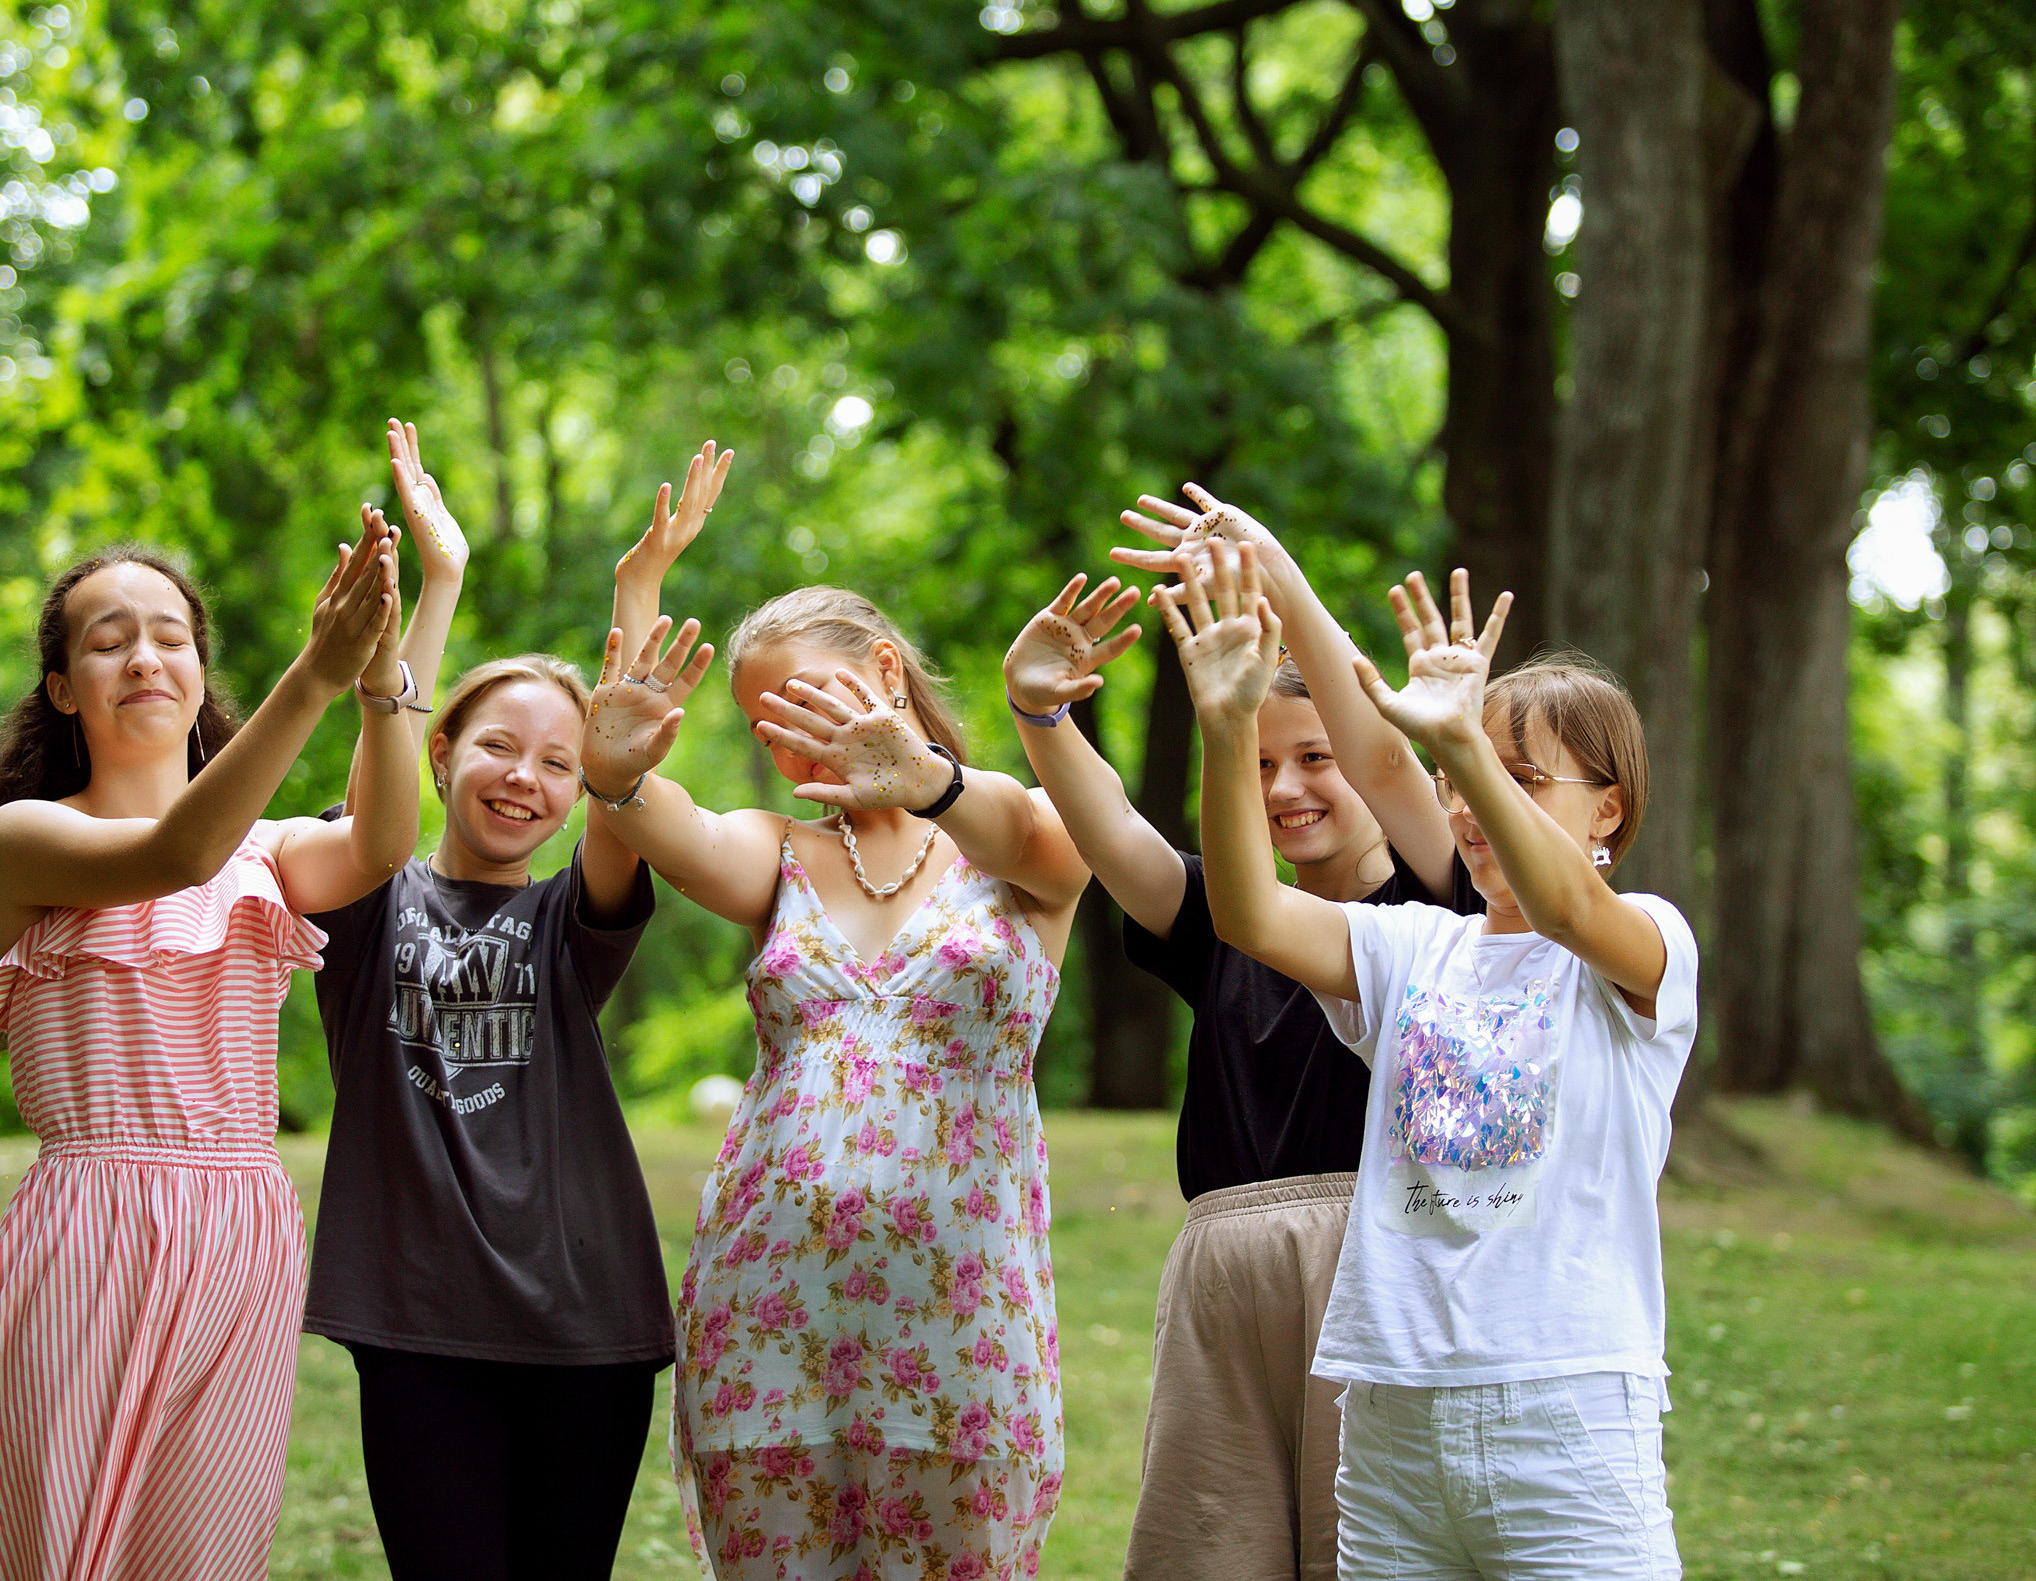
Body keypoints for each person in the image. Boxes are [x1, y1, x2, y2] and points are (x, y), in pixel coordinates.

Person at [0, 504, 421, 1580]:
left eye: (170, 634)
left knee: (200, 1544)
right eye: (107, 639)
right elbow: (179, 851)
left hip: (243, 1222)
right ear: (63, 687)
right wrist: (316, 675)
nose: (144, 654)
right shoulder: (29, 836)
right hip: (93, 1219)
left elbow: (381, 842)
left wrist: (380, 672)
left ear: (198, 668)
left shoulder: (271, 854)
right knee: (54, 1529)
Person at [1168, 544, 1694, 1580]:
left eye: (1519, 780)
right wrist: (1227, 730)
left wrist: (1459, 731)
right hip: (1390, 1415)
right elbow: (1249, 911)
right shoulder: (1414, 945)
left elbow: (1567, 906)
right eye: (1460, 782)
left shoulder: (1642, 940)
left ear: (1610, 810)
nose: (1468, 804)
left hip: (1568, 1409)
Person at [999, 487, 1480, 1581]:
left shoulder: (1437, 904)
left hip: (1381, 1257)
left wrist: (1276, 572)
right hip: (1225, 1265)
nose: (1284, 786)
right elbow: (1113, 830)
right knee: (1215, 1544)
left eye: (1313, 756)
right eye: (1259, 763)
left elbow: (1394, 763)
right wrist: (1038, 716)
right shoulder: (1222, 917)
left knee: (1364, 1545)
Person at [577, 576, 1093, 1580]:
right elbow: (666, 822)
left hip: (961, 1329)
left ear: (886, 670)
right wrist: (616, 776)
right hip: (769, 1324)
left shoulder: (1019, 833)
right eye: (770, 727)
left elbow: (1052, 852)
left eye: (811, 700)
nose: (796, 743)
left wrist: (925, 778)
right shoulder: (780, 853)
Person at [298, 432, 732, 1579]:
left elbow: (623, 761)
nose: (524, 776)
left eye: (553, 761)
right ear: (441, 753)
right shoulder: (362, 895)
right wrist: (439, 581)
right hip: (418, 1322)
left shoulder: (569, 918)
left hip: (585, 1320)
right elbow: (375, 764)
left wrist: (638, 591)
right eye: (497, 745)